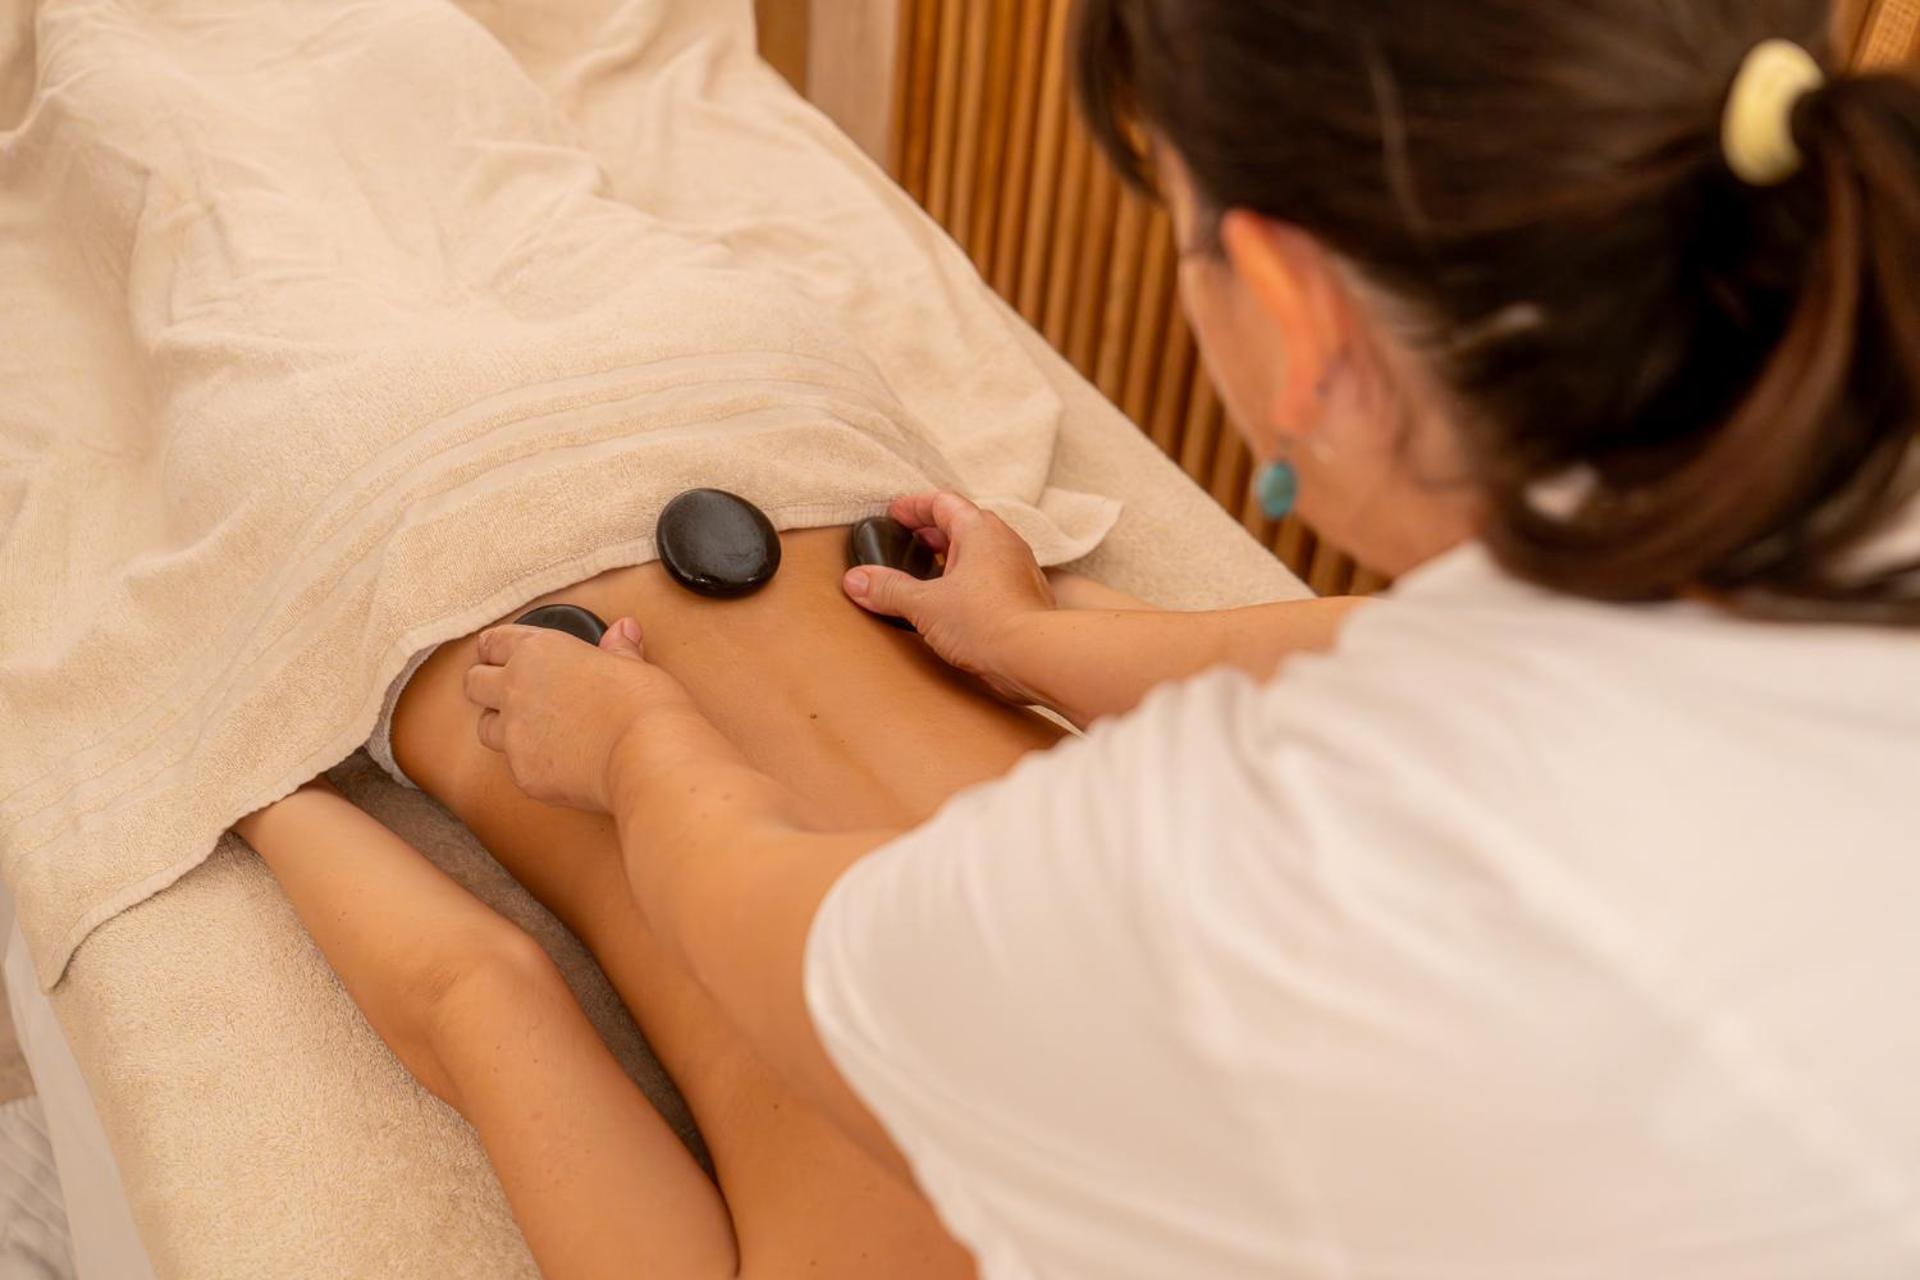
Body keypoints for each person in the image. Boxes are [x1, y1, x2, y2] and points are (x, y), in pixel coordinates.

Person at [239, 0, 1920, 1276]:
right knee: (274, 143)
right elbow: (478, 994)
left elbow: (739, 931)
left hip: (722, 430)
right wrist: (256, 778)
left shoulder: (1178, 915)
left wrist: (635, 746)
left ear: (1290, 307)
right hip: (438, 529)